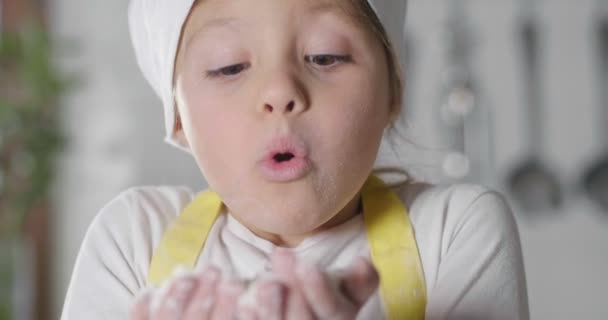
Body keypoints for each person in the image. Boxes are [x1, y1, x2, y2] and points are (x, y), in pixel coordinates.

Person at [60, 0, 529, 319]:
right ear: (178, 115)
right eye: (229, 66)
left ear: (393, 93)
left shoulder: (452, 231)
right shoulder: (134, 240)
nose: (280, 91)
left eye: (325, 57)